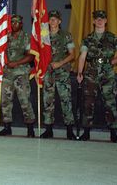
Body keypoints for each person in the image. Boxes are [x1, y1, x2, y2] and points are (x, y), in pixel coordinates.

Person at [76, 10, 117, 143]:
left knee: (110, 103)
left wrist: (112, 62)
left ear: (105, 21)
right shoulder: (88, 39)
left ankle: (113, 133)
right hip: (91, 73)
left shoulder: (112, 37)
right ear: (93, 21)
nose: (99, 21)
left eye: (102, 19)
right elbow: (82, 57)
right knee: (88, 103)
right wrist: (80, 73)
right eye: (97, 19)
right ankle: (86, 132)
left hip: (107, 73)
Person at [40, 10, 77, 140]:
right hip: (48, 72)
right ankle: (48, 129)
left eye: (55, 19)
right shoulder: (44, 36)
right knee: (47, 101)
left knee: (66, 100)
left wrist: (60, 63)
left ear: (59, 21)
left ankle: (69, 130)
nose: (52, 21)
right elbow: (38, 53)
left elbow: (72, 54)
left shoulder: (66, 35)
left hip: (62, 72)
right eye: (50, 19)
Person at [0, 14, 36, 137]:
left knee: (24, 99)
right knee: (5, 100)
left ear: (21, 24)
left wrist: (16, 63)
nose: (14, 25)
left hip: (21, 72)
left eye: (16, 23)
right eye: (12, 22)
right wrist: (7, 62)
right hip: (8, 73)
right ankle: (7, 127)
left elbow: (31, 55)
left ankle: (30, 128)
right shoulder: (6, 37)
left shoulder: (26, 37)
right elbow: (1, 51)